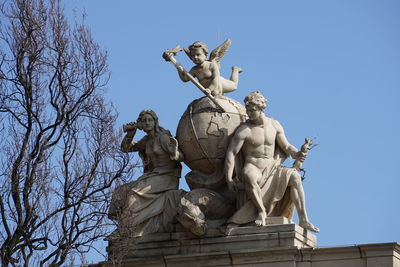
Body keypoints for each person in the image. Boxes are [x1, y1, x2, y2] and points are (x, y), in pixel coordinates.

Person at [224, 91, 319, 232]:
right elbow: (231, 153)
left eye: (252, 110)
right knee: (249, 175)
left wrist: (298, 153)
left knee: (295, 177)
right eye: (248, 110)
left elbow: (286, 146)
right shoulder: (245, 130)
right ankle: (261, 211)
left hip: (272, 168)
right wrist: (228, 179)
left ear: (261, 109)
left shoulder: (274, 125)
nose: (249, 113)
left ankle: (303, 219)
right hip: (253, 166)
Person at [108, 110, 184, 237]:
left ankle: (126, 228)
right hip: (153, 176)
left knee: (134, 193)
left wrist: (175, 153)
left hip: (168, 177)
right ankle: (123, 225)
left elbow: (181, 156)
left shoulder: (163, 137)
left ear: (155, 122)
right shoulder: (147, 140)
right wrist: (130, 134)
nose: (147, 123)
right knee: (121, 191)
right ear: (140, 124)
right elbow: (126, 148)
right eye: (144, 121)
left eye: (150, 120)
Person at [177, 41, 242, 96]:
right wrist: (179, 70)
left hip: (220, 84)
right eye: (193, 56)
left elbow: (215, 79)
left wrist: (209, 89)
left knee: (234, 86)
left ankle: (235, 70)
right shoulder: (194, 70)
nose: (195, 57)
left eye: (198, 55)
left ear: (205, 55)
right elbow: (185, 79)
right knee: (214, 92)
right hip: (210, 91)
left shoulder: (211, 65)